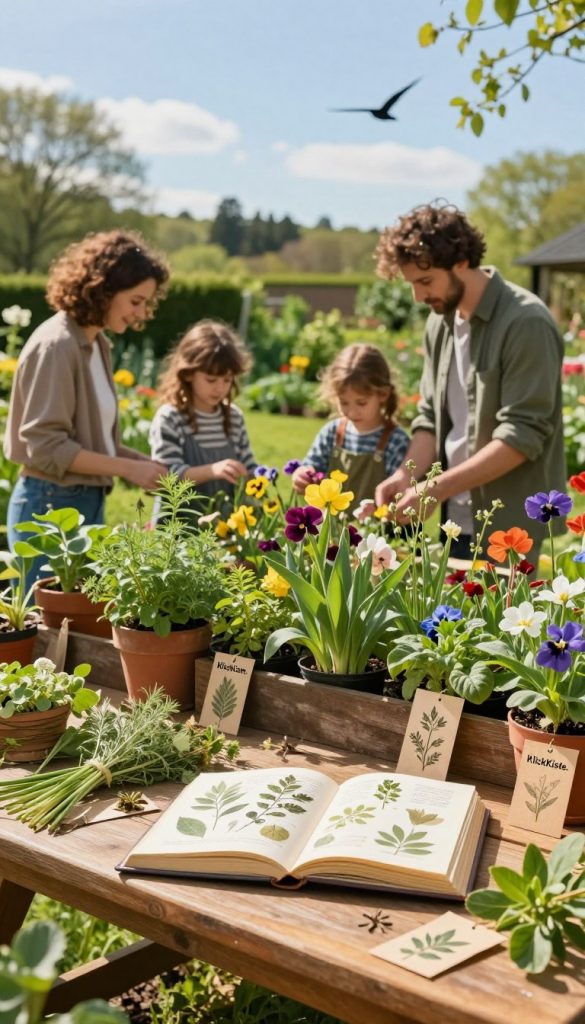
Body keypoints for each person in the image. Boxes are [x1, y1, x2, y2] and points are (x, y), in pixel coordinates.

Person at [374, 201, 566, 563]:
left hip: (511, 527)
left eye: (425, 281)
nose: (418, 296)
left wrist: (435, 489)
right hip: (455, 522)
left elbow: (521, 436)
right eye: (412, 284)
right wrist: (407, 477)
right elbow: (430, 416)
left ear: (461, 261)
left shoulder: (526, 323)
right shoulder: (440, 321)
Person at [5, 230, 169, 556]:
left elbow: (89, 441)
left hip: (83, 500)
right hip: (49, 508)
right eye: (136, 301)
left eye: (146, 304)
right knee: (46, 609)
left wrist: (138, 461)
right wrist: (128, 469)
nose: (140, 314)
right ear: (103, 289)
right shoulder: (58, 345)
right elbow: (46, 447)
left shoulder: (96, 344)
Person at [149, 320, 256, 514]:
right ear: (188, 374)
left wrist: (257, 476)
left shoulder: (233, 417)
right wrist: (213, 471)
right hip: (178, 527)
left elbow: (249, 466)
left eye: (227, 380)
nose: (220, 388)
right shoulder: (171, 418)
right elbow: (166, 476)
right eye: (211, 379)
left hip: (225, 527)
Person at [292, 344, 410, 506]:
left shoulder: (396, 441)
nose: (352, 412)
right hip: (331, 529)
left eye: (361, 403)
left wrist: (380, 508)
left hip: (377, 529)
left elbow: (400, 493)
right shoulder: (332, 433)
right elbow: (312, 466)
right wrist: (302, 475)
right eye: (344, 402)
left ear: (383, 394)